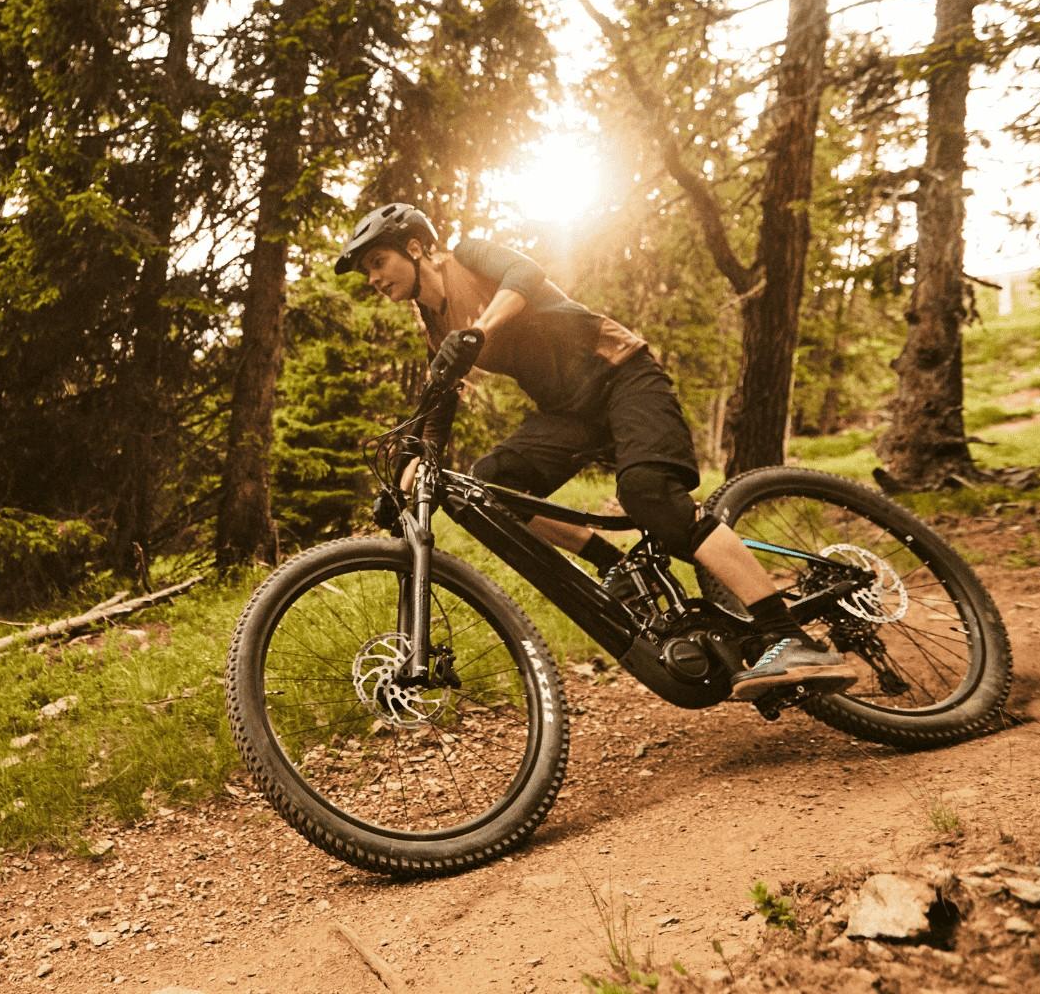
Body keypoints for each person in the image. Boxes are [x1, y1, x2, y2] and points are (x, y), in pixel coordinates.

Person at [334, 202, 861, 699]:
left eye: (378, 262)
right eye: (366, 272)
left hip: (622, 375)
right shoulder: (435, 325)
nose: (374, 278)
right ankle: (614, 564)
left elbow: (525, 274)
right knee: (493, 485)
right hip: (569, 413)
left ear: (416, 247)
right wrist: (405, 478)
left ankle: (788, 636)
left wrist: (478, 331)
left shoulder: (467, 255)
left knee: (649, 494)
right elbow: (437, 414)